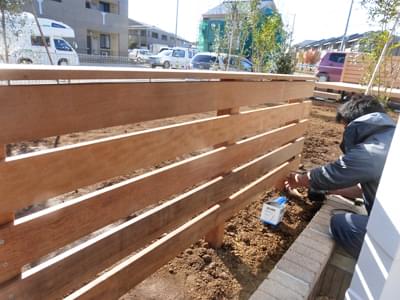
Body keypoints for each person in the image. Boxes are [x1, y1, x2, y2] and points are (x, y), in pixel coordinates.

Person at [285, 95, 396, 258]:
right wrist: (331, 191)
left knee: (341, 224)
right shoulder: (389, 138)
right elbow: (364, 188)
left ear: (351, 122)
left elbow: (331, 174)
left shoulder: (371, 151)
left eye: (344, 127)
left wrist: (298, 180)